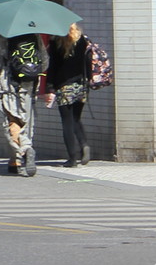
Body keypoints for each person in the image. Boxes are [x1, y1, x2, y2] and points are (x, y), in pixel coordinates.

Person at [48, 22, 112, 167]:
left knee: (67, 122)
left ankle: (72, 158)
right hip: (82, 86)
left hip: (64, 86)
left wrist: (50, 88)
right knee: (76, 118)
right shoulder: (83, 40)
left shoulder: (56, 42)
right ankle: (84, 145)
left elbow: (52, 68)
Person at [0, 30, 46, 176]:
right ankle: (15, 160)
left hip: (8, 84)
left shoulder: (1, 34)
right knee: (26, 122)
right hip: (29, 84)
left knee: (12, 122)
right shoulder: (34, 34)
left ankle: (26, 149)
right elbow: (45, 60)